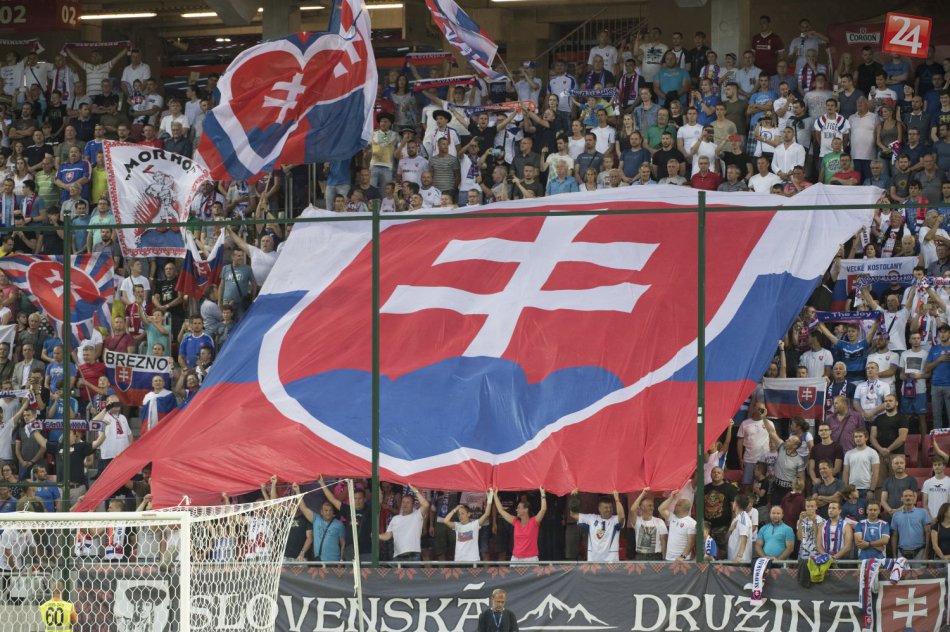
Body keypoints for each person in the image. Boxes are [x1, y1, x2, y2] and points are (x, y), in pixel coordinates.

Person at [492, 487, 547, 562]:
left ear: (526, 510)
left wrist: (543, 494)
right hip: (516, 558)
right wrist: (495, 494)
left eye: (518, 508)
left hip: (530, 559)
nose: (516, 510)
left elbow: (543, 509)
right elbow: (501, 511)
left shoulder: (534, 522)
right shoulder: (515, 522)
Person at [570, 490, 625, 562]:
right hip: (594, 562)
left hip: (611, 562)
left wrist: (617, 500)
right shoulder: (591, 518)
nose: (609, 510)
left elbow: (622, 517)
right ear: (599, 508)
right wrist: (574, 498)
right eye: (606, 507)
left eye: (611, 507)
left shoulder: (615, 520)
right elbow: (573, 514)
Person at [379, 484, 429, 561]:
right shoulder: (395, 519)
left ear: (413, 505)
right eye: (403, 502)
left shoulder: (417, 515)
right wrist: (377, 536)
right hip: (398, 557)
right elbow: (388, 535)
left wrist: (415, 490)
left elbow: (426, 505)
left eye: (408, 502)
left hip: (413, 557)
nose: (405, 505)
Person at [442, 491, 493, 563]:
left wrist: (489, 501)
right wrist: (455, 509)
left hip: (473, 560)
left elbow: (487, 514)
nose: (460, 516)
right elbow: (445, 521)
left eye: (462, 513)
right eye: (459, 514)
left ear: (469, 514)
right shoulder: (457, 525)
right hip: (459, 560)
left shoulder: (474, 525)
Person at [890, 488, 930, 559]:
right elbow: (894, 536)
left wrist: (926, 553)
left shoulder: (923, 512)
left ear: (914, 498)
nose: (908, 498)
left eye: (910, 496)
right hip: (901, 552)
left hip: (919, 552)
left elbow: (928, 533)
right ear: (901, 499)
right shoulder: (896, 515)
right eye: (905, 496)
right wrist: (894, 555)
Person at [658, 490, 696, 561]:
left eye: (676, 505)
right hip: (669, 558)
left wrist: (683, 557)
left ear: (681, 507)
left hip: (683, 560)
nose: (674, 506)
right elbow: (661, 509)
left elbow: (691, 543)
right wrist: (671, 498)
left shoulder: (692, 523)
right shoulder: (672, 517)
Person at [922, 456, 950, 522]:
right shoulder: (927, 482)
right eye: (935, 465)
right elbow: (924, 504)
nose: (937, 467)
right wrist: (930, 518)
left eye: (939, 464)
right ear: (933, 467)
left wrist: (943, 516)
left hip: (945, 518)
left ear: (944, 466)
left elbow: (949, 503)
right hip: (930, 518)